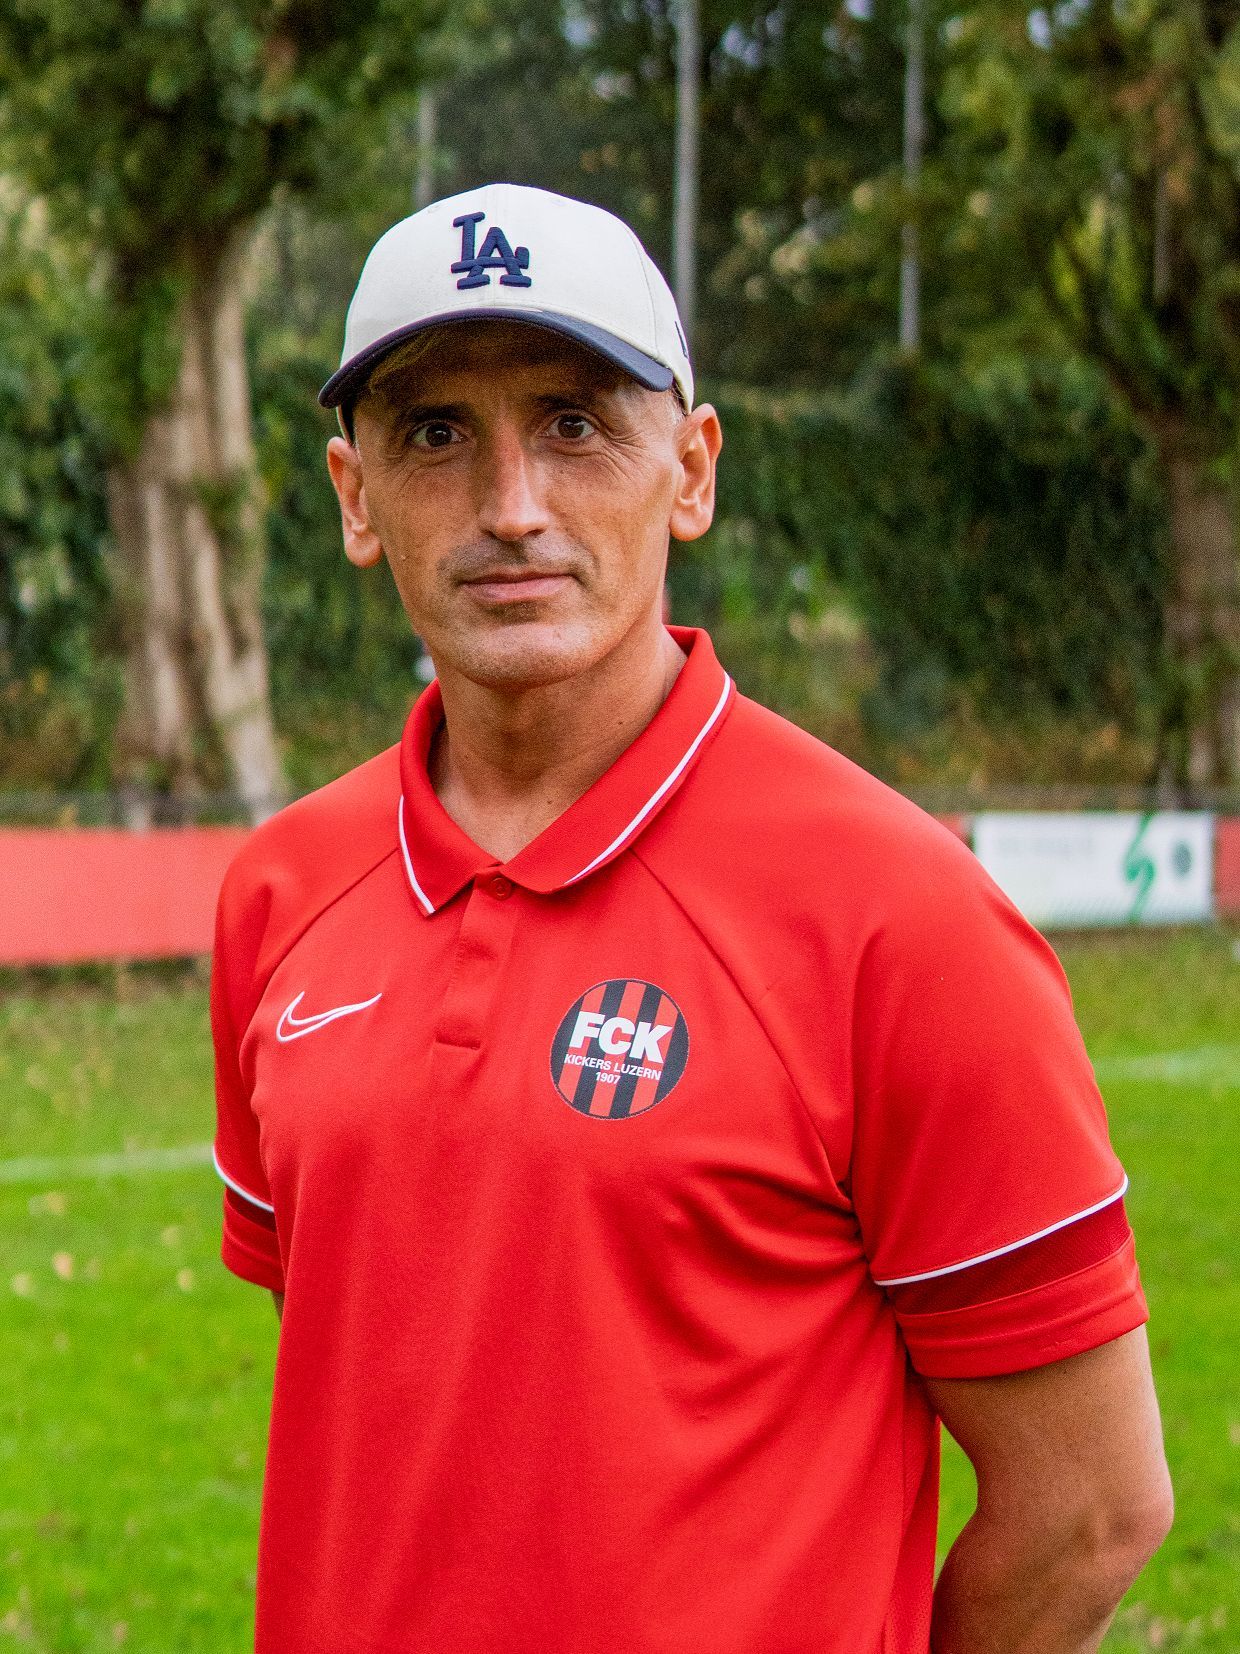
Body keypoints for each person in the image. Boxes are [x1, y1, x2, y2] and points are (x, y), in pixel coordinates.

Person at [211, 182, 1172, 1654]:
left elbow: (1091, 1508)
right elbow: (383, 1386)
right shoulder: (282, 893)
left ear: (693, 470)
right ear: (355, 495)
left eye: (575, 423)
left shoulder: (901, 917)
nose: (511, 505)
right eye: (436, 434)